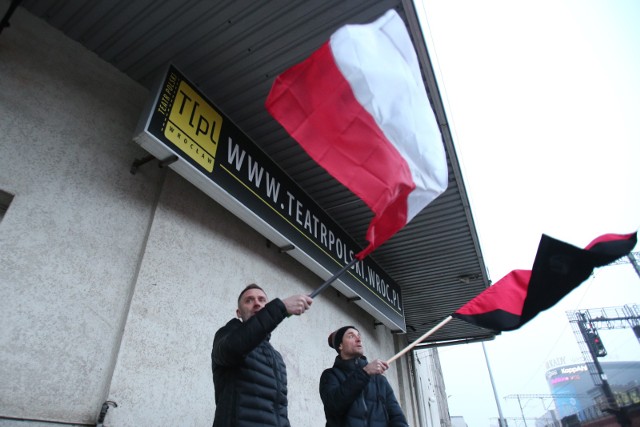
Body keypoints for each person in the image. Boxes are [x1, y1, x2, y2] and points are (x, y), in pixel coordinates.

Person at [211, 283, 312, 427]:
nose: (257, 303)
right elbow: (233, 348)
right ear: (239, 312)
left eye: (262, 300)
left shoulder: (276, 357)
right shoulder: (227, 334)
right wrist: (280, 307)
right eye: (249, 300)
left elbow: (280, 408)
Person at [319, 326, 409, 427]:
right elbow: (333, 406)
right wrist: (365, 372)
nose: (359, 339)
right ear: (340, 345)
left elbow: (397, 417)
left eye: (359, 336)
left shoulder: (380, 379)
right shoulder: (330, 375)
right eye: (351, 336)